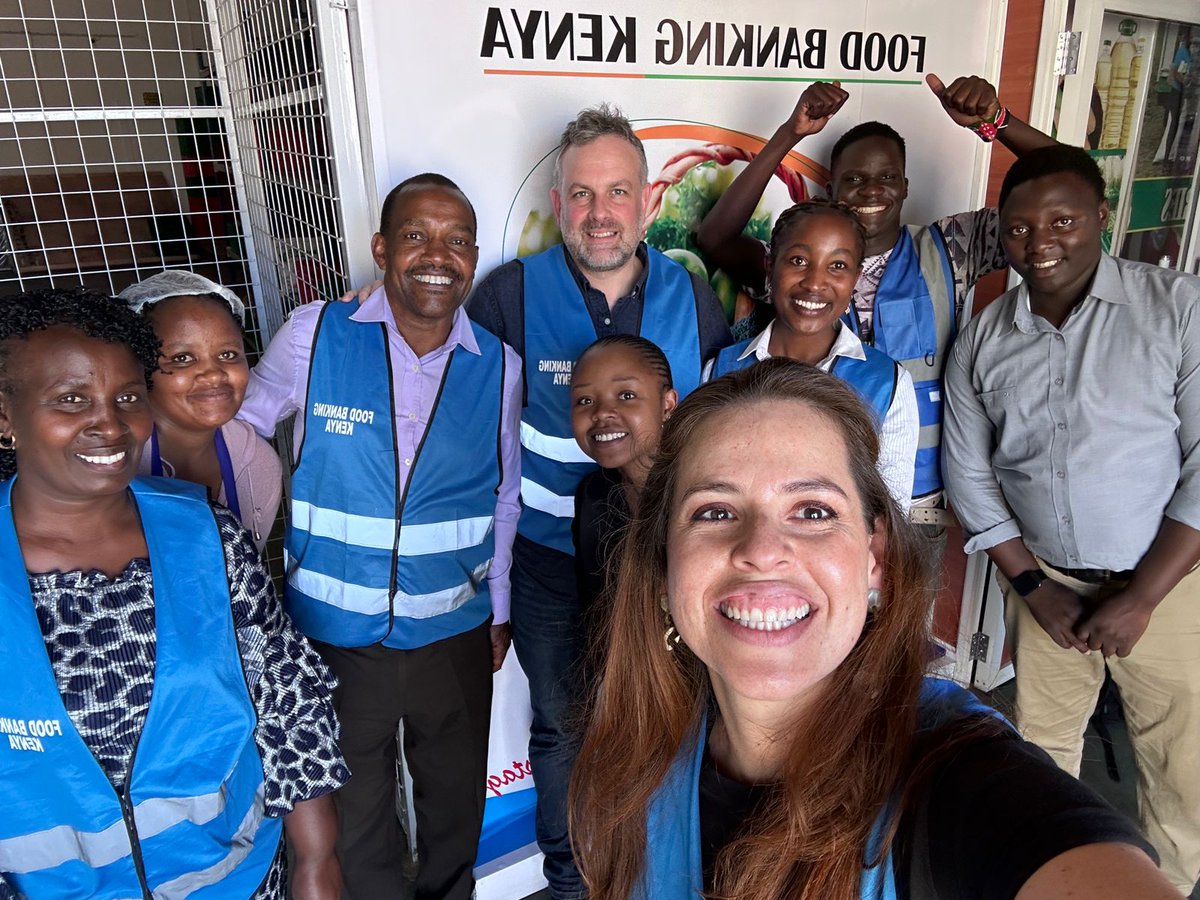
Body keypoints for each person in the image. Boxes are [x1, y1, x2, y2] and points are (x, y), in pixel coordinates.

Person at [570, 358, 1175, 899]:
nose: (761, 549)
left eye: (813, 511)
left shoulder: (955, 777)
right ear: (662, 564)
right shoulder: (639, 748)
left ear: (873, 556)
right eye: (715, 511)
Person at [0, 288, 346, 899]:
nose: (108, 422)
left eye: (127, 397)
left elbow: (288, 706)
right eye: (71, 399)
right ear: (6, 414)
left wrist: (317, 864)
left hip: (236, 883)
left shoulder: (208, 535)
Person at [468, 103, 731, 897]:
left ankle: (668, 870)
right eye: (581, 195)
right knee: (561, 726)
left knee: (676, 719)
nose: (599, 213)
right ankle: (572, 879)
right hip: (548, 558)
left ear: (647, 202)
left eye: (617, 192)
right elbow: (475, 440)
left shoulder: (693, 297)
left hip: (666, 557)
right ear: (558, 203)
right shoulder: (508, 295)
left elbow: (719, 419)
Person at [239, 172, 521, 900]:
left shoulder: (500, 364)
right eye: (417, 236)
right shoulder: (317, 333)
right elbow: (239, 435)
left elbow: (505, 497)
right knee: (356, 820)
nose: (438, 254)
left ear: (474, 255)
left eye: (458, 240)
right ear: (382, 247)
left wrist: (498, 611)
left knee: (453, 809)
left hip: (453, 635)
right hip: (333, 634)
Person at [943, 144, 1200, 895]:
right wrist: (1031, 586)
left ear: (1102, 217)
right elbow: (970, 472)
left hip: (1172, 591)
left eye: (1062, 220)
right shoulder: (987, 335)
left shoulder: (1176, 308)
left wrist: (1143, 596)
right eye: (1019, 228)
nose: (1040, 242)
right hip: (1052, 593)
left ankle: (1170, 886)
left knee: (1179, 765)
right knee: (1043, 759)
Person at [696, 75, 1057, 520]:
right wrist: (791, 133)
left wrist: (997, 122)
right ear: (831, 187)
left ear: (906, 185)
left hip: (920, 500)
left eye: (887, 177)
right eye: (854, 178)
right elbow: (715, 238)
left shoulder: (951, 247)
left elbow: (1067, 189)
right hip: (798, 500)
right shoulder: (796, 270)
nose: (871, 190)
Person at [705, 199, 917, 510]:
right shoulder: (720, 370)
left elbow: (891, 513)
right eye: (799, 261)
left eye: (838, 266)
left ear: (856, 279)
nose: (815, 282)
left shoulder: (888, 384)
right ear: (770, 266)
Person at [121, 270, 282, 551]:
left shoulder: (259, 466)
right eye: (183, 358)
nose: (213, 374)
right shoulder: (112, 464)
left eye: (228, 355)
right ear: (139, 367)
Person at [570, 335, 677, 639]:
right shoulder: (593, 496)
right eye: (585, 401)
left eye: (626, 395)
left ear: (668, 404)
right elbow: (596, 612)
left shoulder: (704, 495)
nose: (602, 412)